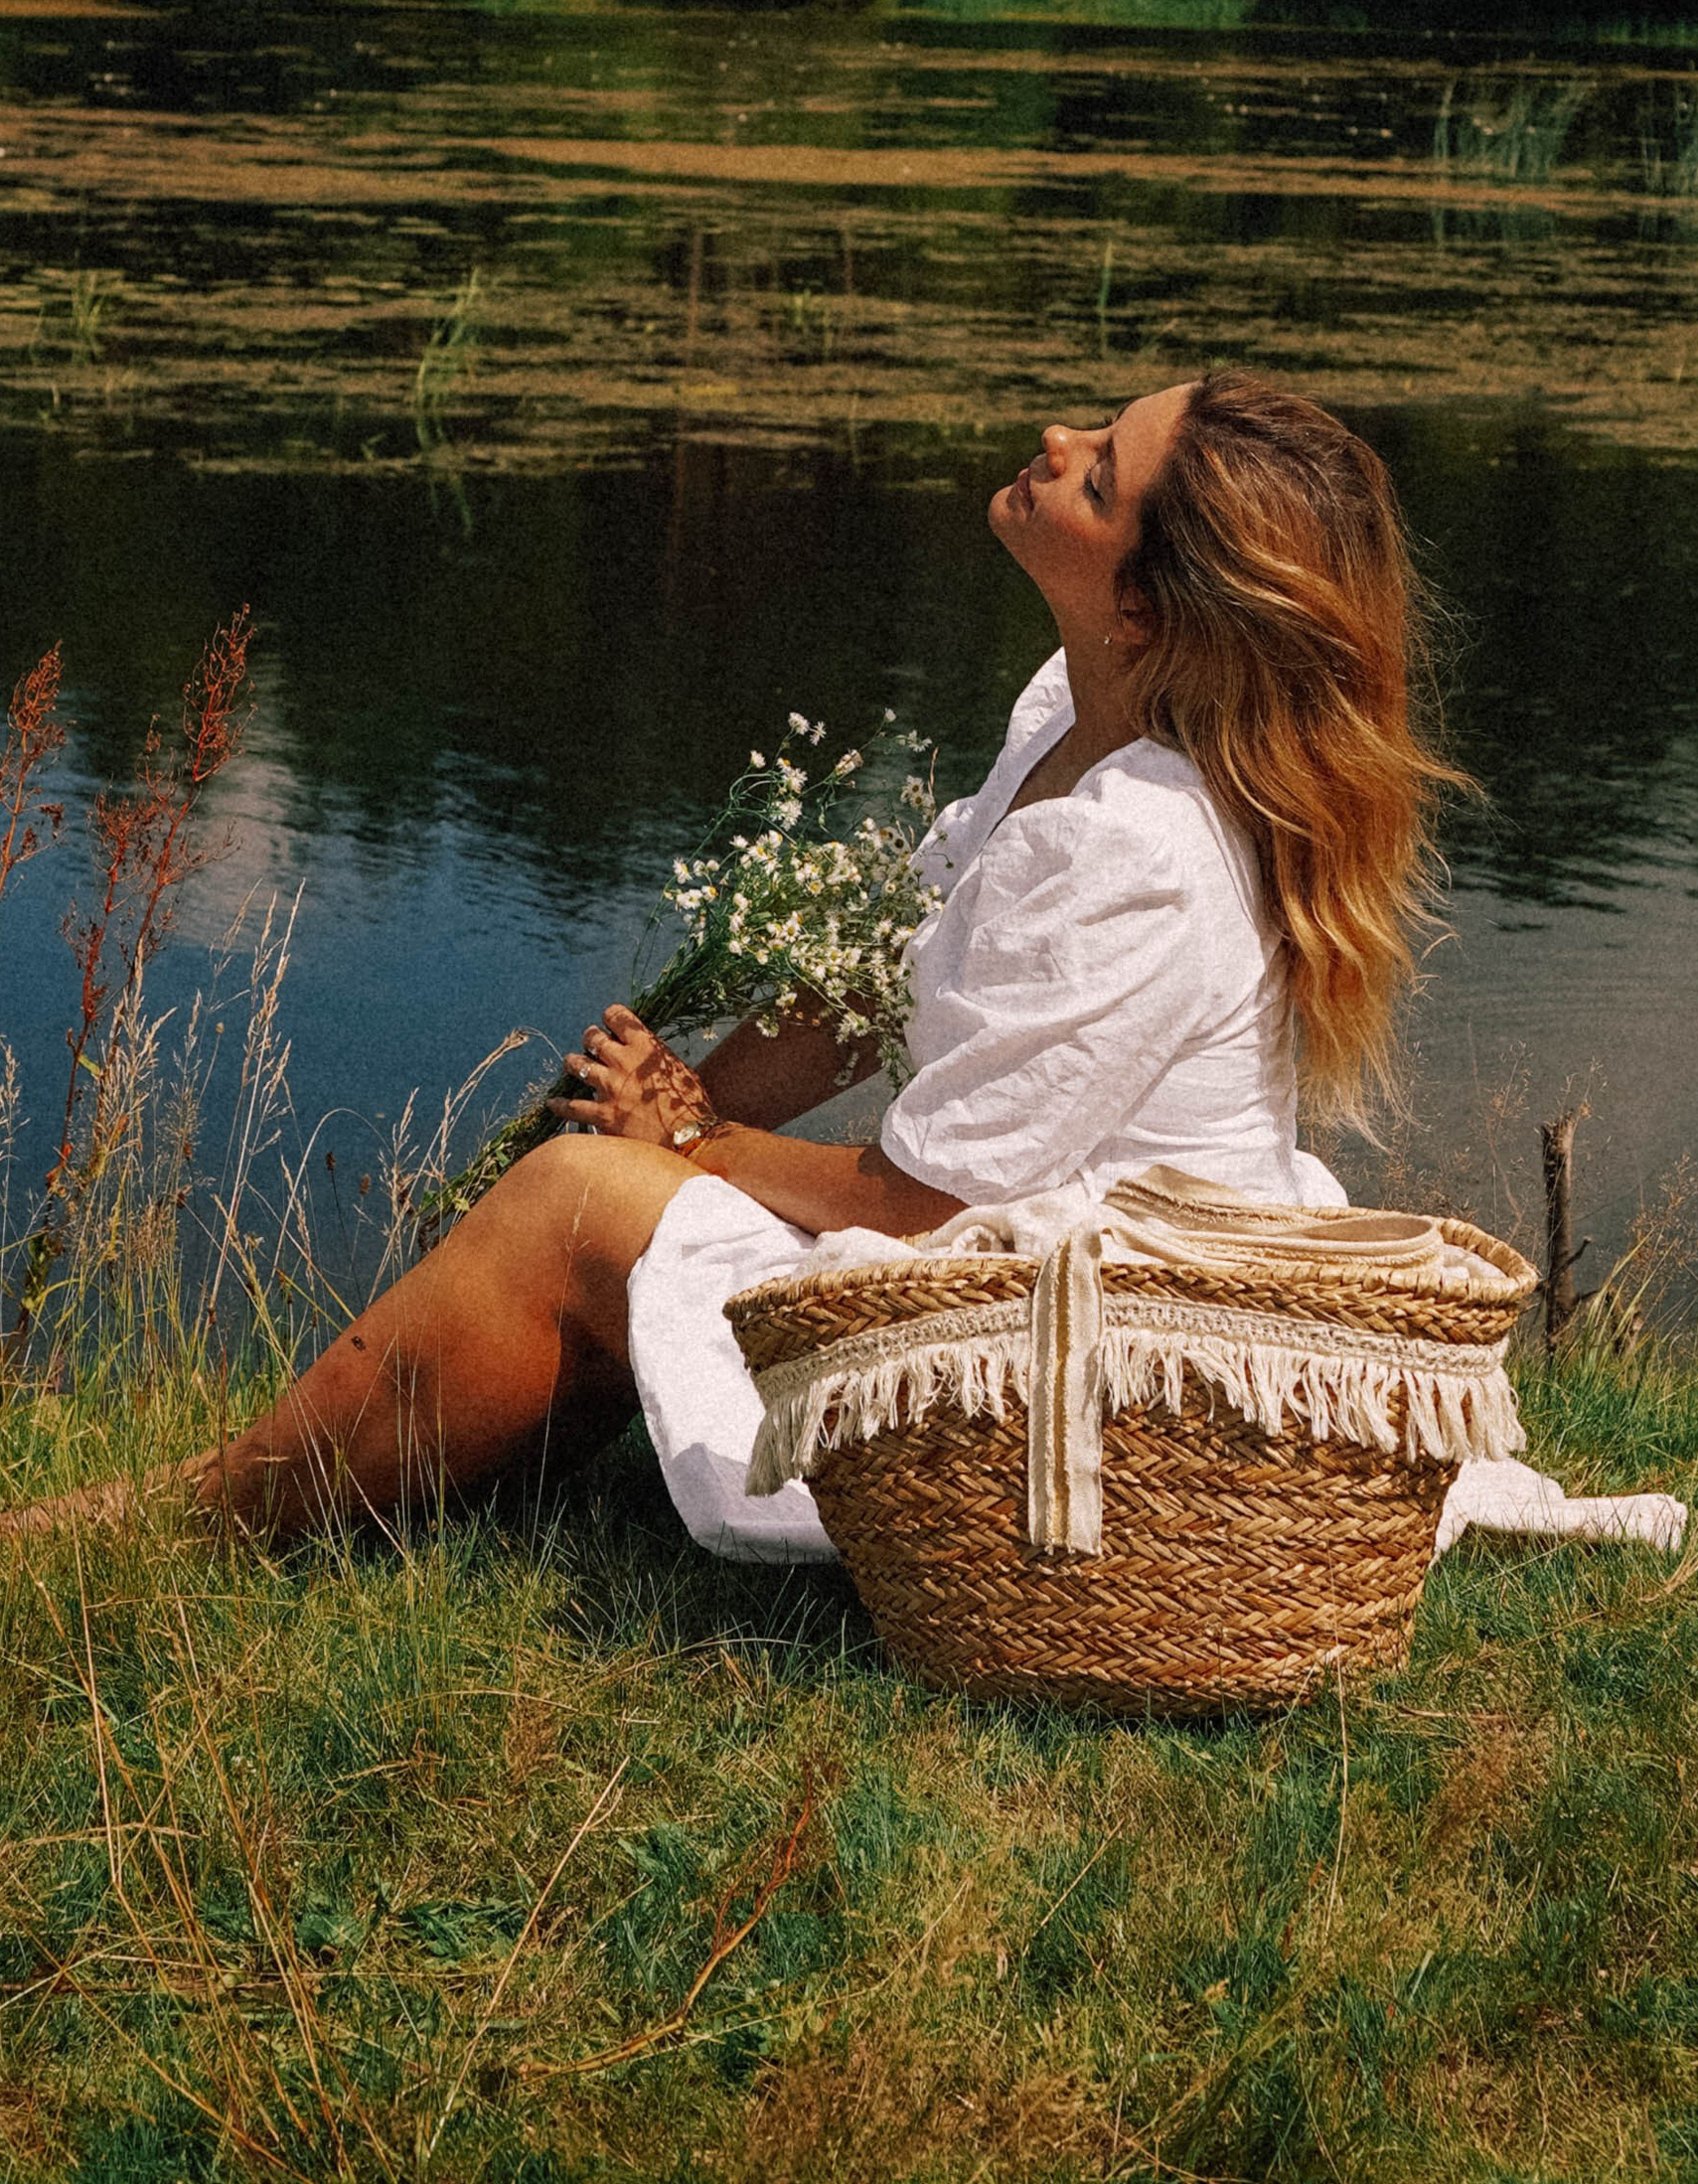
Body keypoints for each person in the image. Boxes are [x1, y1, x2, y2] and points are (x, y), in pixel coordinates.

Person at [161, 370, 1463, 1551]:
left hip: (1082, 1351)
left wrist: (684, 1147)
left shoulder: (1138, 849)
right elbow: (883, 981)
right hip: (1022, 1263)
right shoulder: (1075, 717)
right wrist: (692, 1101)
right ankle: (379, 1488)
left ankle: (199, 1519)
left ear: (1139, 601)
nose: (1059, 439)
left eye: (1100, 474)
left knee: (575, 1199)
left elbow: (924, 1205)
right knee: (608, 1191)